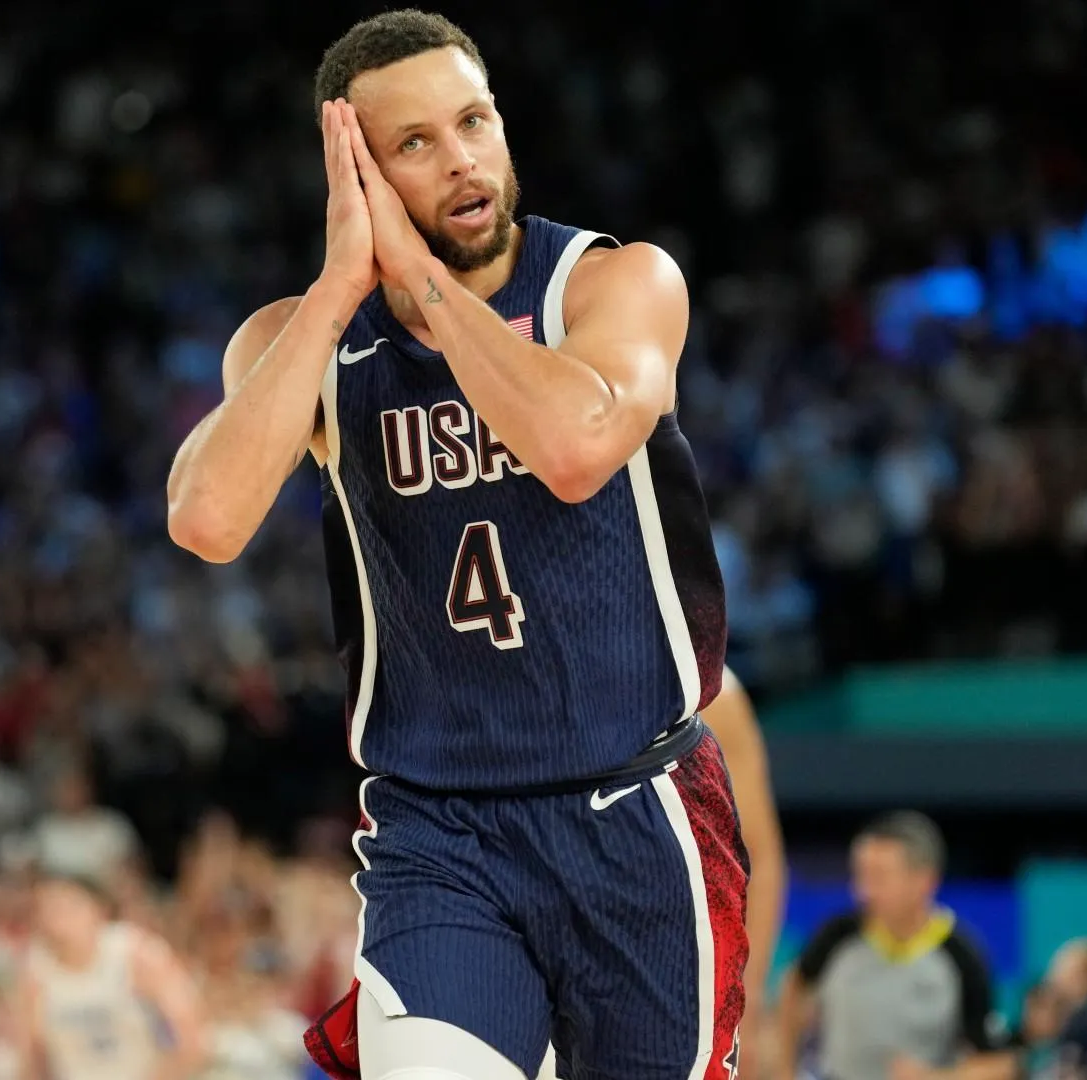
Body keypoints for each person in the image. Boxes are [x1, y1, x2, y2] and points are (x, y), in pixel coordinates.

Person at [167, 9, 743, 1078]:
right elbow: (206, 519)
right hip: (441, 833)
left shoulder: (612, 285)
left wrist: (425, 289)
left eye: (474, 121)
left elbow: (574, 447)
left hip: (635, 816)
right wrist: (345, 286)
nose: (464, 159)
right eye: (416, 144)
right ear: (359, 176)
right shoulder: (306, 342)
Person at [536, 665, 784, 1079]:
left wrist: (748, 1002)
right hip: (522, 940)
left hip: (650, 956)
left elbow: (756, 853)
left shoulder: (705, 686)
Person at [773, 812, 1010, 1080]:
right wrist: (785, 1069)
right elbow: (794, 986)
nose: (863, 892)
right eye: (861, 875)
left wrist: (936, 1077)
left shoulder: (961, 954)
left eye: (879, 877)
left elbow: (999, 1062)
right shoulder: (837, 937)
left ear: (924, 881)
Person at [15, 870, 208, 1080]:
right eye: (48, 910)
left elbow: (192, 1038)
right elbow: (32, 1057)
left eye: (67, 907)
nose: (58, 920)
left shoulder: (136, 953)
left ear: (99, 909)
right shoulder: (37, 968)